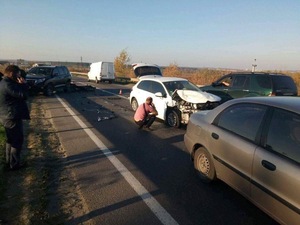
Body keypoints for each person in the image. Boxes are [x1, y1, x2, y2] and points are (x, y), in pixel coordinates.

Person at [0, 65, 30, 170]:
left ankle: (10, 163)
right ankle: (14, 164)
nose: (19, 76)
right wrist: (23, 84)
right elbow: (23, 95)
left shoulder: (4, 82)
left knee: (10, 140)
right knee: (17, 140)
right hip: (11, 116)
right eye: (18, 74)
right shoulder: (8, 85)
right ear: (12, 74)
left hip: (6, 115)